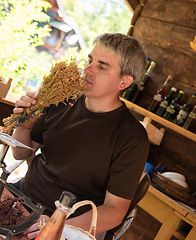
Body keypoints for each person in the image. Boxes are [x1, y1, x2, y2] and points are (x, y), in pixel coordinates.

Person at [10, 33, 150, 239]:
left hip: (68, 226)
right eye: (89, 60)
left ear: (124, 82)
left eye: (102, 67)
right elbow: (20, 153)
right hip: (21, 198)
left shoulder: (132, 138)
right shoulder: (62, 99)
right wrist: (24, 127)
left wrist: (56, 225)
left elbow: (115, 210)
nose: (87, 70)